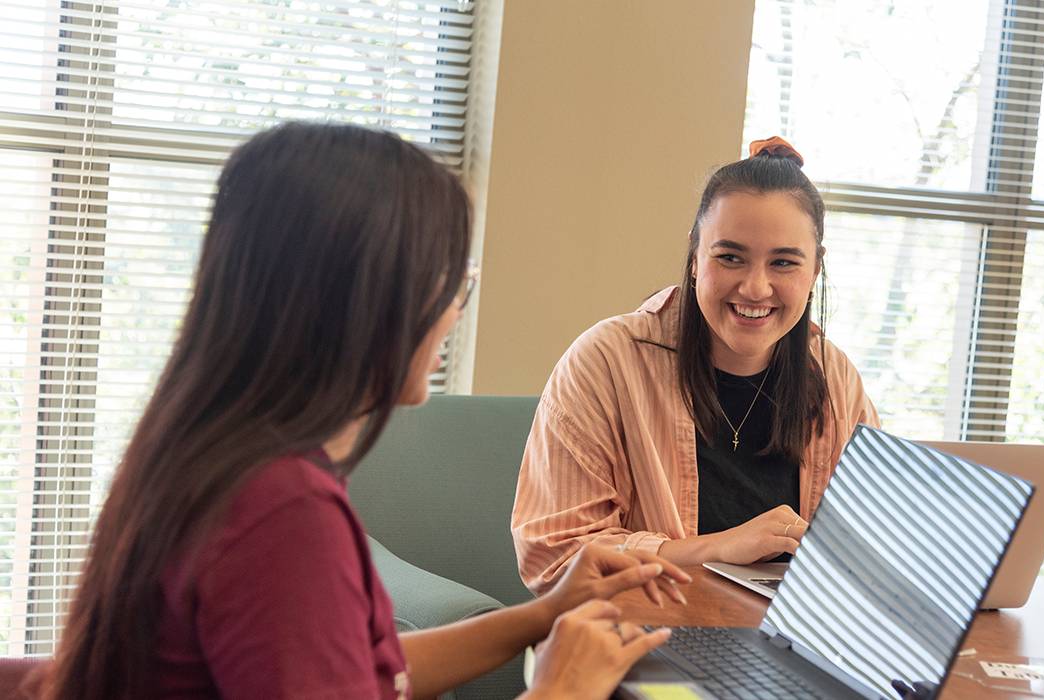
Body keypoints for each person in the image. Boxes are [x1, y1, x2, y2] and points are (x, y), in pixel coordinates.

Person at [34, 122, 689, 700]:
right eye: (450, 280)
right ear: (370, 299)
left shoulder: (212, 455)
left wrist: (543, 615)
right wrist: (561, 691)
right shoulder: (283, 512)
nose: (455, 309)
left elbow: (366, 674)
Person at [512, 136, 879, 594]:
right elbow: (556, 556)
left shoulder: (836, 379)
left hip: (791, 643)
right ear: (693, 256)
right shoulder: (606, 361)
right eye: (730, 257)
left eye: (784, 262)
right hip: (641, 630)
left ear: (815, 270)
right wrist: (719, 548)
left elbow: (872, 551)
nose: (755, 288)